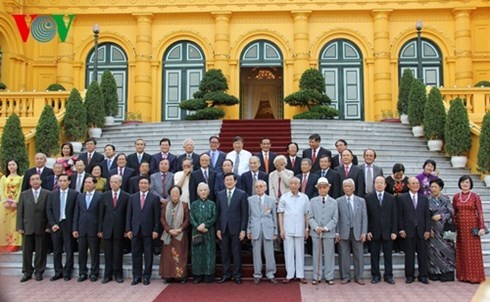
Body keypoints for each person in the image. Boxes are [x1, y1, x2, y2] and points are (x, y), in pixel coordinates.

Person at [126, 176, 161, 286]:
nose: (143, 185)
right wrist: (128, 229)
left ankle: (146, 276)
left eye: (145, 183)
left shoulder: (154, 198)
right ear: (138, 185)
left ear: (149, 185)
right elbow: (129, 215)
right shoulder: (132, 197)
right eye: (141, 183)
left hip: (149, 230)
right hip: (135, 229)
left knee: (148, 254)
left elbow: (157, 216)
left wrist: (156, 230)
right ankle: (136, 276)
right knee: (135, 254)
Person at [216, 173, 249, 284]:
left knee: (236, 252)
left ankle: (237, 275)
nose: (229, 182)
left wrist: (243, 229)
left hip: (237, 228)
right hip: (224, 228)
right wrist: (218, 229)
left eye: (231, 180)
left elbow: (245, 214)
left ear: (235, 181)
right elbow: (218, 213)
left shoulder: (242, 194)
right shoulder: (220, 194)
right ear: (224, 182)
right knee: (225, 253)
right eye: (227, 180)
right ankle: (226, 274)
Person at [17, 173, 50, 282]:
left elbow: (49, 211)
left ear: (41, 181)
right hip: (27, 226)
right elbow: (20, 212)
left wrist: (48, 226)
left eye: (37, 179)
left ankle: (39, 271)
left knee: (41, 251)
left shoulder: (47, 194)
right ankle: (27, 272)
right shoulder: (24, 194)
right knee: (26, 251)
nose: (35, 181)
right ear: (29, 182)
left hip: (42, 226)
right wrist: (20, 226)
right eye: (32, 179)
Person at [453, 175, 486, 283]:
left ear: (470, 184)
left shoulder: (475, 196)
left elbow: (480, 212)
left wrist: (481, 227)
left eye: (467, 182)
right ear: (459, 184)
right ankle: (463, 276)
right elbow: (454, 212)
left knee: (473, 253)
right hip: (461, 228)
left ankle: (475, 276)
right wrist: (453, 227)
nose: (465, 184)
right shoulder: (456, 197)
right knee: (462, 251)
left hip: (473, 228)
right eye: (462, 182)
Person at [46, 173, 78, 281]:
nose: (62, 183)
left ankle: (67, 271)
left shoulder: (75, 194)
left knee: (69, 249)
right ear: (58, 182)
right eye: (60, 181)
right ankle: (58, 271)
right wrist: (52, 224)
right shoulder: (52, 194)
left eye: (65, 181)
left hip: (68, 224)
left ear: (69, 182)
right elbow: (48, 210)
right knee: (57, 249)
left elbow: (76, 212)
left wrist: (74, 227)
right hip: (56, 225)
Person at [365, 176, 397, 285]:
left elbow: (394, 216)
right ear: (374, 184)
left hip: (388, 232)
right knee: (374, 255)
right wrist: (368, 230)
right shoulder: (368, 198)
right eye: (377, 182)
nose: (379, 184)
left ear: (385, 185)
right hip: (374, 232)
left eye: (381, 183)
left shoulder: (391, 198)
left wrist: (394, 231)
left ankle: (388, 275)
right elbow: (367, 217)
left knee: (388, 255)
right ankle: (375, 275)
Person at [399, 177, 431, 284]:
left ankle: (423, 275)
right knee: (409, 254)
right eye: (413, 183)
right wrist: (401, 229)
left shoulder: (424, 198)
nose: (416, 185)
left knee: (423, 254)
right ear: (408, 185)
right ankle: (409, 276)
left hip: (422, 231)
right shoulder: (402, 198)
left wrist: (427, 230)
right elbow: (400, 216)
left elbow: (427, 216)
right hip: (408, 230)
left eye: (417, 183)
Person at [99, 175, 130, 284]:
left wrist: (127, 229)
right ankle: (107, 275)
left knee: (118, 253)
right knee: (107, 253)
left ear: (120, 183)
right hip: (107, 229)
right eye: (111, 182)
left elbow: (128, 215)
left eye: (116, 182)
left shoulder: (126, 196)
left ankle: (118, 274)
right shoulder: (104, 196)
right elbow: (101, 214)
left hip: (119, 229)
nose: (113, 184)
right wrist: (100, 229)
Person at [336, 178, 368, 285]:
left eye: (349, 186)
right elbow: (337, 218)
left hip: (357, 231)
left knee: (358, 255)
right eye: (345, 186)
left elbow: (364, 218)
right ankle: (345, 276)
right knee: (344, 255)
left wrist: (364, 232)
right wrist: (337, 232)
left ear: (354, 188)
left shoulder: (361, 201)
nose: (347, 188)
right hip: (343, 231)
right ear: (343, 188)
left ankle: (359, 276)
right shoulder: (338, 201)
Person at [278, 177, 309, 284]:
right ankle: (289, 275)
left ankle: (300, 275)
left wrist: (307, 228)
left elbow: (307, 214)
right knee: (288, 252)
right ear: (289, 185)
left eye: (296, 183)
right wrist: (281, 229)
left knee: (300, 252)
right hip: (287, 228)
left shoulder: (304, 197)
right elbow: (280, 214)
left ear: (299, 185)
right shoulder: (284, 197)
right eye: (291, 183)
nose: (293, 185)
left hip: (300, 228)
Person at [247, 180, 278, 285]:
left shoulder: (271, 200)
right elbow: (248, 216)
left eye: (261, 186)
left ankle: (270, 274)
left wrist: (275, 231)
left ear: (265, 188)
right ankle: (257, 274)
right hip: (255, 228)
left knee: (269, 253)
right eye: (257, 187)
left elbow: (274, 216)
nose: (259, 188)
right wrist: (248, 230)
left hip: (268, 228)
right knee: (256, 253)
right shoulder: (250, 200)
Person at [72, 176, 102, 282]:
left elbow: (101, 214)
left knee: (94, 252)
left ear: (94, 184)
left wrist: (100, 229)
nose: (87, 184)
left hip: (94, 228)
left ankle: (94, 273)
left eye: (90, 182)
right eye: (86, 182)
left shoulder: (100, 196)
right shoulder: (80, 196)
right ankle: (82, 273)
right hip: (82, 228)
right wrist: (75, 228)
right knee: (82, 252)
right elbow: (76, 213)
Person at [308, 177, 338, 285]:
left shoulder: (334, 202)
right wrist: (316, 227)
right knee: (317, 254)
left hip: (329, 232)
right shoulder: (312, 201)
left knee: (329, 254)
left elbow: (335, 218)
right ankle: (317, 276)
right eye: (320, 187)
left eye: (324, 187)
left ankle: (329, 276)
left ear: (328, 188)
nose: (322, 189)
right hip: (316, 233)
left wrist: (326, 228)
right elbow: (310, 217)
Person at [160, 185, 190, 283]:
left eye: (177, 192)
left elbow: (187, 219)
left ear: (180, 194)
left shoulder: (185, 205)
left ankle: (181, 276)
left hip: (180, 234)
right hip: (168, 234)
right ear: (170, 194)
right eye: (173, 192)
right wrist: (168, 230)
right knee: (167, 256)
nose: (174, 194)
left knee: (180, 255)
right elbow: (162, 219)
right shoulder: (165, 205)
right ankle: (168, 276)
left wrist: (180, 229)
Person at [427, 179, 455, 282]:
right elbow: (425, 215)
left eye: (435, 187)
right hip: (433, 229)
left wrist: (442, 216)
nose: (433, 189)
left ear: (440, 188)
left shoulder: (446, 199)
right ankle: (435, 272)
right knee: (433, 251)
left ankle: (447, 273)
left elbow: (451, 212)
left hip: (445, 229)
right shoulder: (427, 200)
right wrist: (428, 228)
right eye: (432, 187)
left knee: (447, 250)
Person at [190, 182, 217, 284]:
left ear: (208, 192)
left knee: (209, 253)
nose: (203, 192)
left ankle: (208, 274)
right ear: (198, 192)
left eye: (205, 190)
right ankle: (197, 275)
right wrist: (198, 226)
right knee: (197, 253)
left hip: (208, 232)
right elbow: (191, 217)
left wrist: (205, 225)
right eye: (201, 190)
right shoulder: (194, 204)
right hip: (196, 231)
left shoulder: (212, 204)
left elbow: (214, 217)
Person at [0, 159, 23, 252]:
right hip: (4, 205)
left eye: (13, 164)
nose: (11, 167)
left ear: (17, 166)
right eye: (9, 165)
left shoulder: (21, 178)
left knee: (14, 225)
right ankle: (3, 244)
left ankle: (15, 244)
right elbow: (1, 190)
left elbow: (21, 191)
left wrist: (16, 202)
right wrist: (5, 201)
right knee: (4, 224)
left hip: (15, 206)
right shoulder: (3, 178)